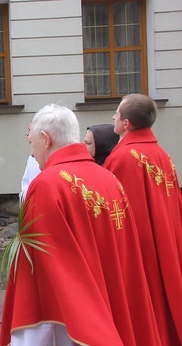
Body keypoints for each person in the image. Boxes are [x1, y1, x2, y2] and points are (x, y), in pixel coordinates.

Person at [0, 104, 161, 346]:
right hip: (109, 298)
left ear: (46, 139)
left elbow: (44, 272)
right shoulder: (109, 178)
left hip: (73, 320)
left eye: (32, 144)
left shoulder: (47, 185)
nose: (32, 154)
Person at [104, 93, 182, 345]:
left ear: (126, 123)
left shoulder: (122, 157)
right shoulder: (163, 155)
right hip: (167, 239)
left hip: (141, 247)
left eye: (117, 113)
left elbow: (115, 210)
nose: (113, 116)